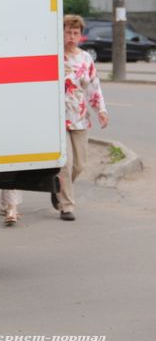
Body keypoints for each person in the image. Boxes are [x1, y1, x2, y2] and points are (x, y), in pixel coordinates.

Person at [56, 14, 108, 221]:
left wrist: (101, 111)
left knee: (80, 165)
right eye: (68, 32)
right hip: (59, 119)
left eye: (75, 33)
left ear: (81, 36)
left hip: (80, 117)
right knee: (65, 164)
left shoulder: (86, 59)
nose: (71, 36)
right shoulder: (56, 57)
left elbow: (94, 88)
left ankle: (59, 189)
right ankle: (66, 205)